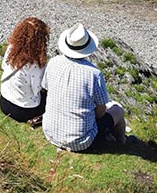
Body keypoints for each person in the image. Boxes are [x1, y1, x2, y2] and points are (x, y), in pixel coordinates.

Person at [41, 23, 127, 151]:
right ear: (87, 48)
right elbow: (101, 112)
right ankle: (123, 142)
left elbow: (45, 89)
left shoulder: (53, 62)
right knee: (118, 110)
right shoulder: (94, 73)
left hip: (50, 133)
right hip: (81, 141)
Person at [0, 17, 50, 124]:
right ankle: (37, 118)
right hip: (23, 110)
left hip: (4, 102)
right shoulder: (35, 64)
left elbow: (4, 66)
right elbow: (38, 89)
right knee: (53, 97)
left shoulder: (12, 48)